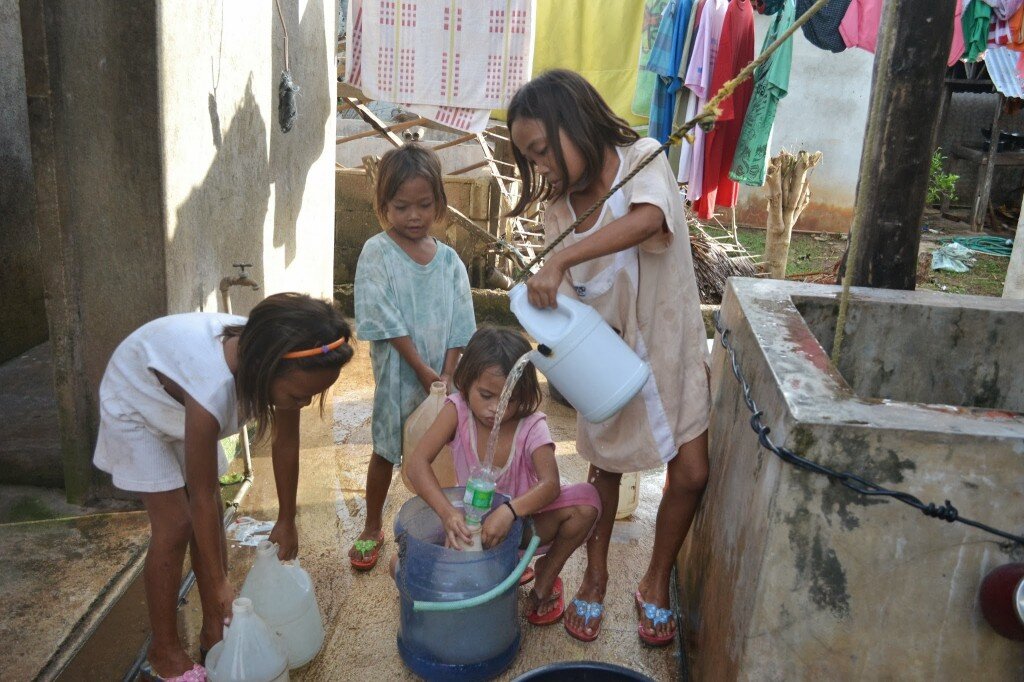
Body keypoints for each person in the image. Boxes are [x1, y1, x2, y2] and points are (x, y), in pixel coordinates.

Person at [506, 69, 711, 646]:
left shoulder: (641, 160)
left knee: (691, 473)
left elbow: (648, 221)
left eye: (542, 150)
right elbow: (571, 317)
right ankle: (594, 577)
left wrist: (564, 261)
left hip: (670, 347)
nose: (539, 166)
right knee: (605, 474)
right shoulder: (557, 216)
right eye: (529, 158)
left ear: (573, 124)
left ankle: (656, 578)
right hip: (611, 365)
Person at [93, 293, 353, 680]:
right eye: (299, 396)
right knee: (177, 523)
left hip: (181, 395)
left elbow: (286, 443)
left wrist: (286, 518)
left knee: (212, 515)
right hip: (137, 396)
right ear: (265, 371)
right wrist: (217, 582)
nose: (304, 403)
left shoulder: (282, 353)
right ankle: (164, 651)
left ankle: (215, 625)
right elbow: (199, 494)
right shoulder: (212, 387)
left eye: (312, 396)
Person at [405, 326, 600, 625]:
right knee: (405, 563)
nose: (496, 409)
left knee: (587, 503)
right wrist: (446, 514)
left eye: (508, 399)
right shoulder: (457, 410)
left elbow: (550, 485)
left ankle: (546, 574)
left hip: (522, 527)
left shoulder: (531, 425)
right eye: (485, 395)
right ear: (466, 381)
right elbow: (417, 463)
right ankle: (507, 567)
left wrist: (510, 511)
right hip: (471, 526)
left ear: (523, 394)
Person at [351, 143, 475, 571]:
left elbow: (461, 323)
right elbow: (380, 315)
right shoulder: (377, 252)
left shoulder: (450, 262)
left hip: (441, 378)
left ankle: (448, 519)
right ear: (384, 205)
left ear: (440, 203)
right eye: (401, 206)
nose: (414, 216)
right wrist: (422, 369)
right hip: (398, 378)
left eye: (424, 205)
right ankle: (371, 526)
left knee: (446, 452)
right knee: (385, 450)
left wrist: (447, 371)